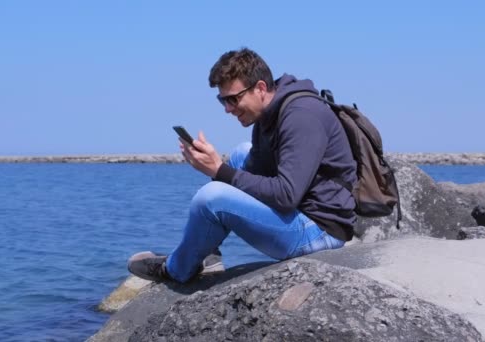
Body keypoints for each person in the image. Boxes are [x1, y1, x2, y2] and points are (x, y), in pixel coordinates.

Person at [127, 48, 357, 283]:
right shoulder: (268, 115)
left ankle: (175, 270)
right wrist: (220, 170)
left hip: (319, 231)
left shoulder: (302, 116)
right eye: (222, 100)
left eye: (233, 99)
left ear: (260, 88)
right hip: (300, 210)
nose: (227, 109)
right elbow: (256, 176)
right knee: (240, 154)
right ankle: (207, 252)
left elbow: (287, 195)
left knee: (211, 198)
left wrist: (218, 170)